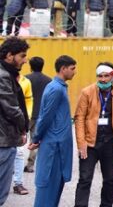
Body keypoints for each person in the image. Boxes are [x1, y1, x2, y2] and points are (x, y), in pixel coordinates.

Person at [74, 63, 113, 207]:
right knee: (85, 179)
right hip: (90, 143)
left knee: (109, 180)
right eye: (100, 76)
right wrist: (81, 143)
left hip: (110, 143)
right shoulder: (87, 92)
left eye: (106, 76)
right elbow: (79, 118)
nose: (103, 79)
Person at [29, 55, 77, 207]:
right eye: (72, 68)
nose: (75, 72)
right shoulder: (55, 89)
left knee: (55, 189)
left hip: (57, 145)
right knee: (47, 189)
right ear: (63, 69)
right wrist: (36, 138)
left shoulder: (59, 87)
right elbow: (45, 117)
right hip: (54, 147)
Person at [0, 37, 29, 205]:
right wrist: (23, 126)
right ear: (10, 56)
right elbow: (11, 108)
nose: (25, 61)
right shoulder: (3, 76)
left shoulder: (7, 74)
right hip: (3, 141)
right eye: (22, 56)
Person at [25, 57, 52, 173]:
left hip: (26, 114)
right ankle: (30, 166)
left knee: (18, 140)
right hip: (40, 115)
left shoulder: (25, 79)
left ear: (30, 66)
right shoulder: (49, 80)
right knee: (35, 141)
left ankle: (15, 165)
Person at [12, 70, 32, 196]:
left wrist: (25, 119)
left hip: (18, 122)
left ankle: (18, 183)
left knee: (19, 153)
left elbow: (28, 102)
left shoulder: (25, 82)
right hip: (3, 123)